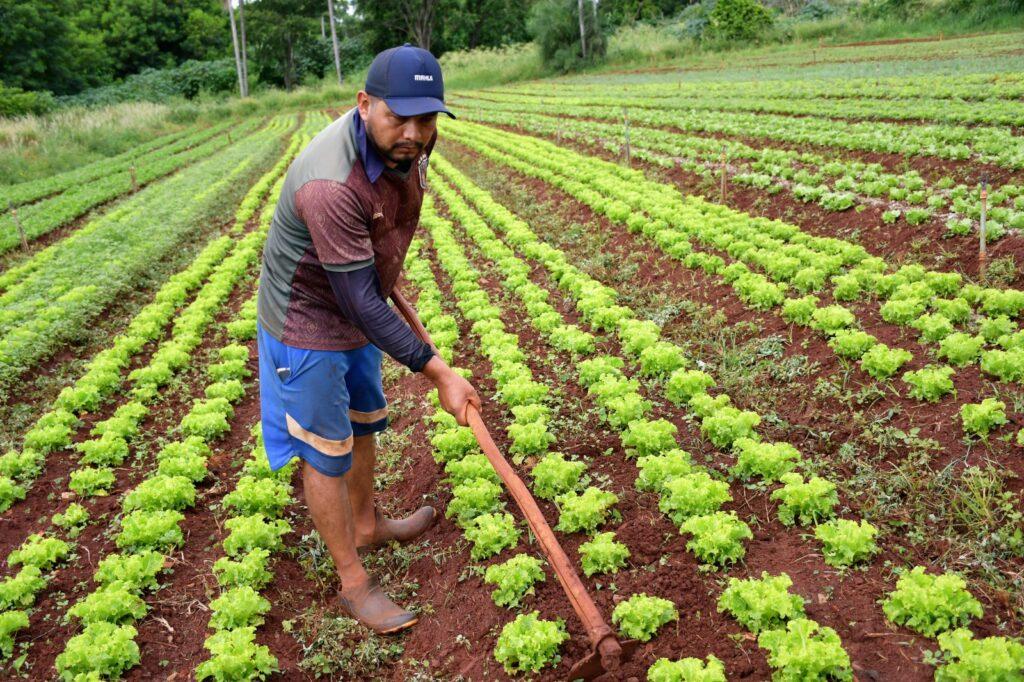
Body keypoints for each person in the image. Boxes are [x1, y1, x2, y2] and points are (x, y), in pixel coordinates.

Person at [255, 43, 480, 634]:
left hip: (355, 298)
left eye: (426, 119)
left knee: (363, 419)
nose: (413, 133)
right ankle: (353, 582)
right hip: (306, 318)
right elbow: (356, 299)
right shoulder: (331, 183)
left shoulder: (408, 149)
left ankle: (368, 524)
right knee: (327, 451)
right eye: (397, 117)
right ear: (363, 105)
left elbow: (366, 282)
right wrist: (437, 370)